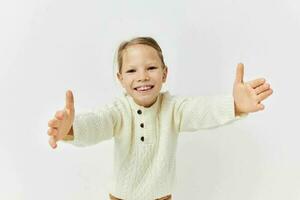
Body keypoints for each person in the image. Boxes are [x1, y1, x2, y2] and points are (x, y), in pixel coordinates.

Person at [47, 37, 273, 200]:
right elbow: (97, 124)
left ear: (164, 74)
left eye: (151, 68)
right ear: (120, 78)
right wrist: (71, 129)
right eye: (132, 71)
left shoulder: (173, 108)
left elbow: (203, 110)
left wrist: (234, 105)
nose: (143, 76)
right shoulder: (118, 110)